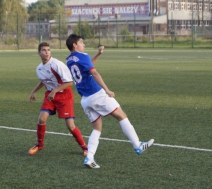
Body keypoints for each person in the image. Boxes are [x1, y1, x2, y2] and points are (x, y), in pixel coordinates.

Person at [65, 34, 154, 169]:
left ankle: (89, 157)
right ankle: (137, 145)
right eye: (81, 42)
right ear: (74, 45)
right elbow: (94, 73)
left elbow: (87, 66)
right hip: (97, 94)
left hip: (85, 100)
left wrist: (98, 54)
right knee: (121, 116)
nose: (83, 44)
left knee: (97, 128)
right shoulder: (83, 56)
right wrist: (106, 89)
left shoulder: (69, 60)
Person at [28, 42, 88, 156]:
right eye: (44, 50)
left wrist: (55, 90)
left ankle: (85, 147)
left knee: (70, 125)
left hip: (64, 95)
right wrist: (33, 91)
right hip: (50, 95)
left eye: (48, 50)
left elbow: (69, 83)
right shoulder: (39, 68)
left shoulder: (57, 64)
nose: (47, 52)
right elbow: (44, 81)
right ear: (38, 53)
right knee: (41, 119)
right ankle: (39, 145)